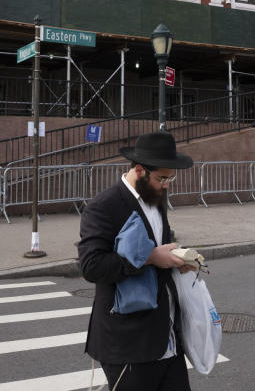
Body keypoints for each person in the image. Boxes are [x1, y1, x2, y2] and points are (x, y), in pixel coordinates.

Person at [78, 131, 197, 390]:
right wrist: (151, 257)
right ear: (140, 170)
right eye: (162, 178)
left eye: (170, 179)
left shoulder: (156, 199)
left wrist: (177, 260)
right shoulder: (104, 206)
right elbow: (91, 266)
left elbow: (158, 250)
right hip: (129, 344)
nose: (166, 185)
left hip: (166, 336)